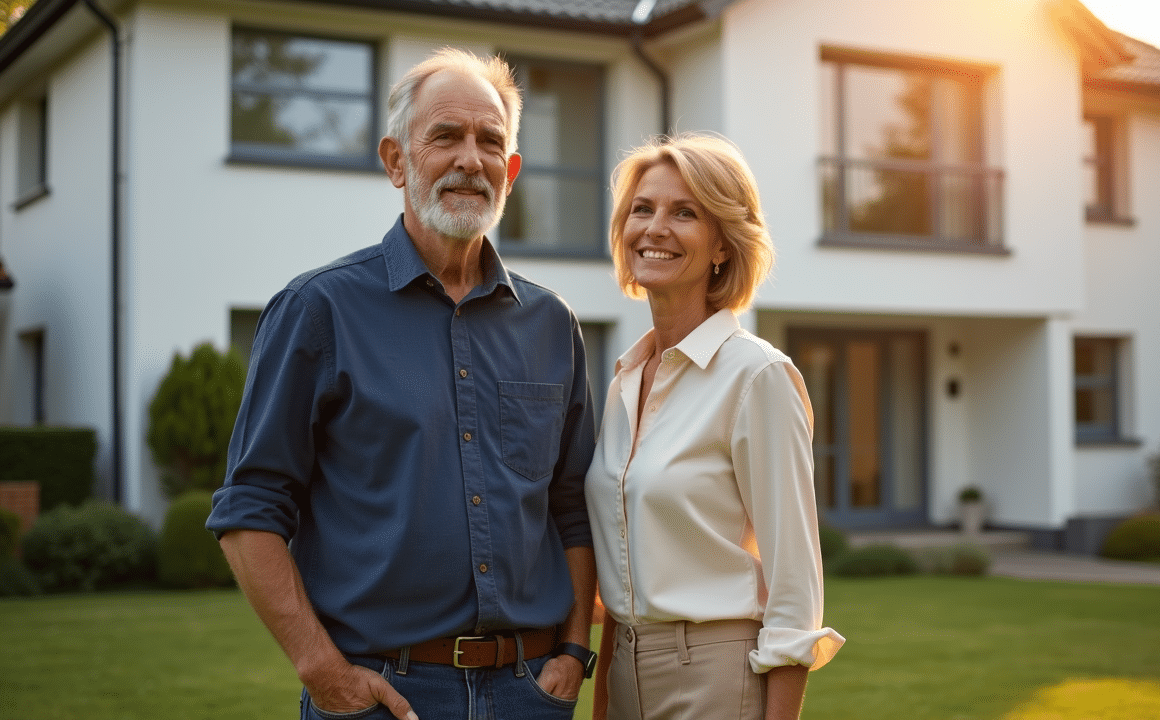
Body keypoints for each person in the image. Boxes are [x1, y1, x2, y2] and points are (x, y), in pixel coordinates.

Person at [207, 48, 597, 720]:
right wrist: (322, 670)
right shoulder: (317, 310)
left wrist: (571, 651)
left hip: (530, 692)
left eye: (490, 142)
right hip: (383, 697)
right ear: (396, 161)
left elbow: (572, 505)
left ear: (511, 172)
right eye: (444, 136)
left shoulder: (552, 324)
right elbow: (249, 510)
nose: (469, 159)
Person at [585, 134, 845, 720]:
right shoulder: (626, 379)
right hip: (623, 669)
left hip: (715, 678)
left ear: (723, 245)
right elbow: (618, 577)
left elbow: (794, 590)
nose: (654, 228)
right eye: (641, 209)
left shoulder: (758, 377)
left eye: (685, 213)